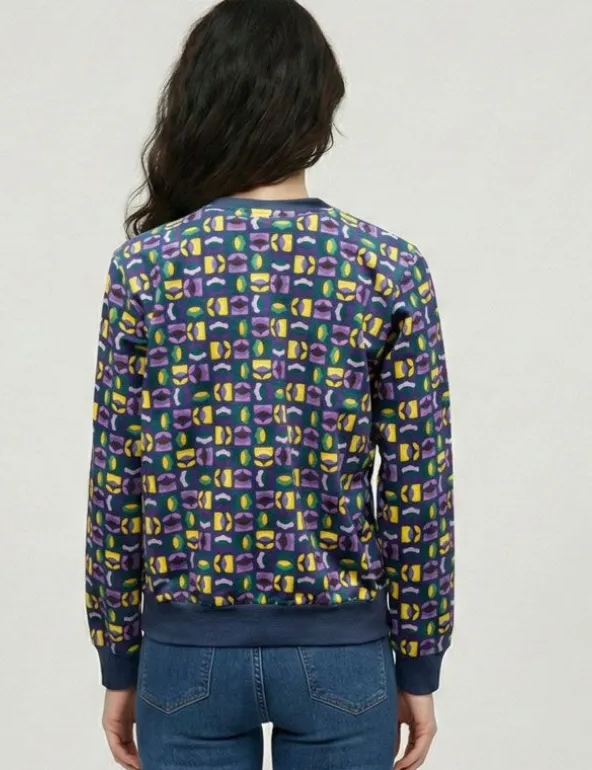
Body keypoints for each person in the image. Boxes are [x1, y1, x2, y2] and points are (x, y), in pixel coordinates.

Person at [84, 1, 455, 768]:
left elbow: (117, 480)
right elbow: (419, 484)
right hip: (342, 654)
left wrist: (119, 656)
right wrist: (419, 661)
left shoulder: (147, 268)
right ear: (320, 105)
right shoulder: (385, 267)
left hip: (185, 653)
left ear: (202, 99)